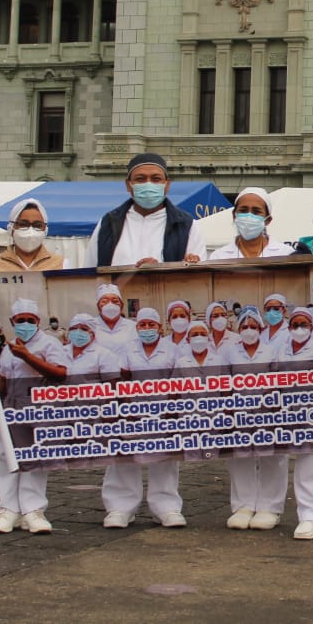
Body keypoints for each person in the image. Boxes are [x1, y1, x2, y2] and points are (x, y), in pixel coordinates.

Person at [102, 305, 186, 529]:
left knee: (165, 461)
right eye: (142, 325)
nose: (147, 328)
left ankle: (167, 508)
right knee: (125, 460)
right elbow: (121, 379)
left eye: (151, 325)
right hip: (133, 412)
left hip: (164, 412)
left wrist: (172, 412)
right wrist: (126, 409)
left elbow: (178, 382)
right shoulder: (127, 349)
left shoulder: (173, 350)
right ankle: (120, 508)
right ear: (136, 327)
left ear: (160, 327)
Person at [0, 298, 67, 535]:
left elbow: (60, 374)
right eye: (20, 321)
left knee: (36, 456)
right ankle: (8, 508)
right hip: (13, 406)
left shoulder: (50, 344)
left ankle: (33, 509)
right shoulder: (9, 347)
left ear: (38, 321)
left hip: (39, 405)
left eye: (30, 321)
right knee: (9, 456)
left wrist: (27, 356)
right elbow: (3, 377)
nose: (25, 324)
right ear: (13, 322)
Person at [85, 152, 206, 268]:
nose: (149, 184)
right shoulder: (109, 223)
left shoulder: (185, 225)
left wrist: (159, 270)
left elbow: (198, 276)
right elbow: (90, 272)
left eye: (156, 179)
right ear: (128, 185)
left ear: (167, 184)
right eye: (140, 179)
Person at [221, 305, 283, 531]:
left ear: (261, 328)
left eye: (253, 326)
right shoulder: (229, 351)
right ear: (239, 329)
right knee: (240, 458)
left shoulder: (271, 350)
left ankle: (269, 508)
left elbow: (278, 379)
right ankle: (243, 506)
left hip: (266, 413)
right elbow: (223, 380)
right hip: (238, 413)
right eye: (244, 327)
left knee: (271, 458)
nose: (249, 330)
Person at [271, 307, 313, 539]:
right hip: (287, 413)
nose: (299, 328)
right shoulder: (282, 349)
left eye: (304, 324)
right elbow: (274, 378)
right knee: (283, 458)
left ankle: (312, 517)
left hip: (312, 414)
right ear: (289, 328)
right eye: (295, 324)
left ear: (312, 327)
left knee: (311, 463)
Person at [0, 200, 67, 277]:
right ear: (11, 228)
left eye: (37, 225)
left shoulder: (61, 265)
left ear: (45, 230)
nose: (30, 229)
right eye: (23, 224)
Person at [208, 187, 295, 261]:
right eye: (243, 210)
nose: (249, 216)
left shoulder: (286, 254)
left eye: (256, 212)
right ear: (234, 216)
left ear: (268, 220)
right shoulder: (218, 257)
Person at [92, 284, 138, 354]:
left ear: (122, 306)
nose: (110, 305)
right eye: (104, 301)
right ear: (98, 306)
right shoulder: (90, 326)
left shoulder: (133, 326)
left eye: (115, 301)